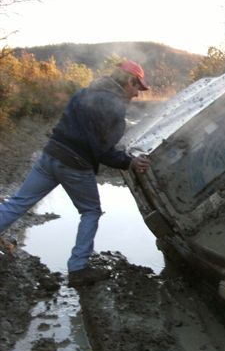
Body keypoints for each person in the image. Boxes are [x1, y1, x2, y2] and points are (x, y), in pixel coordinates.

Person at [0, 60, 152, 287]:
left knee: (20, 202)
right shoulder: (114, 106)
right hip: (74, 164)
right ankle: (78, 268)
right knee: (91, 211)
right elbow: (102, 151)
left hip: (50, 155)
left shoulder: (87, 91)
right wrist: (130, 162)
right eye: (137, 87)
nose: (137, 94)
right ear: (129, 81)